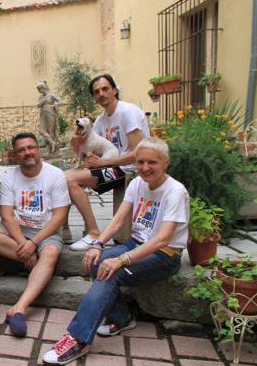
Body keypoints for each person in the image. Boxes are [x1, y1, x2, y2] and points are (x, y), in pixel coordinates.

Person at [42, 137, 189, 365]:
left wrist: (121, 259)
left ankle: (78, 340)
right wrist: (97, 244)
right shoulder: (137, 183)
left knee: (111, 270)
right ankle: (122, 318)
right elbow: (119, 219)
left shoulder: (175, 191)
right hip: (136, 244)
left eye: (152, 162)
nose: (145, 168)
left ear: (166, 162)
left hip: (164, 255)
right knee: (94, 261)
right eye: (140, 162)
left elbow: (162, 239)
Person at [0, 132, 70, 337]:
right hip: (17, 231)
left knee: (51, 253)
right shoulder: (9, 178)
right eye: (21, 150)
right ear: (15, 155)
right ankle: (36, 264)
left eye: (31, 147)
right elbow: (7, 215)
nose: (27, 152)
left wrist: (34, 242)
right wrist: (25, 246)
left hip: (46, 231)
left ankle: (18, 308)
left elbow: (59, 217)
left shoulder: (55, 175)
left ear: (38, 150)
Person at [67, 74, 150, 251]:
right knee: (62, 176)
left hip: (131, 169)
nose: (101, 94)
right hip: (113, 167)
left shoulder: (128, 112)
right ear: (94, 97)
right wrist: (76, 142)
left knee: (70, 180)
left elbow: (137, 153)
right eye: (97, 92)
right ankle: (64, 230)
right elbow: (87, 153)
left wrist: (102, 162)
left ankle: (93, 233)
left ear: (114, 90)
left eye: (105, 89)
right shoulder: (101, 121)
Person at [37, 80, 63, 156]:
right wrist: (44, 99)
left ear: (43, 88)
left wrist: (55, 105)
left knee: (50, 131)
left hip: (50, 112)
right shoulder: (41, 97)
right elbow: (38, 105)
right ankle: (53, 143)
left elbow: (60, 101)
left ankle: (51, 150)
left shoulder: (51, 95)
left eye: (39, 89)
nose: (39, 91)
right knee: (41, 130)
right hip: (42, 113)